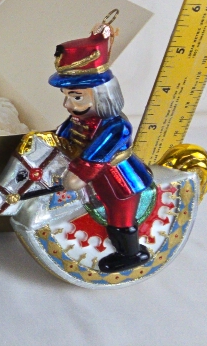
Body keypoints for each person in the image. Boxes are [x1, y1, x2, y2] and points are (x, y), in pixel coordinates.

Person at [49, 21, 154, 273]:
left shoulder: (115, 126)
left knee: (119, 215)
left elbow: (94, 157)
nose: (67, 104)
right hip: (96, 177)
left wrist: (78, 175)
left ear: (102, 95)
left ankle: (131, 253)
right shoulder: (79, 119)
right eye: (67, 95)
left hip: (119, 179)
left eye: (76, 96)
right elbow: (61, 137)